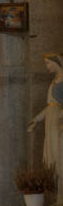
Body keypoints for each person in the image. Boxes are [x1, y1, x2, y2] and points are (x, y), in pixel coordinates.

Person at [29, 53, 63, 184]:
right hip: (51, 117)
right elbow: (50, 105)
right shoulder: (55, 80)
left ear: (57, 62)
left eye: (48, 63)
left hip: (57, 119)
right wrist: (37, 119)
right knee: (50, 155)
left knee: (57, 153)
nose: (47, 66)